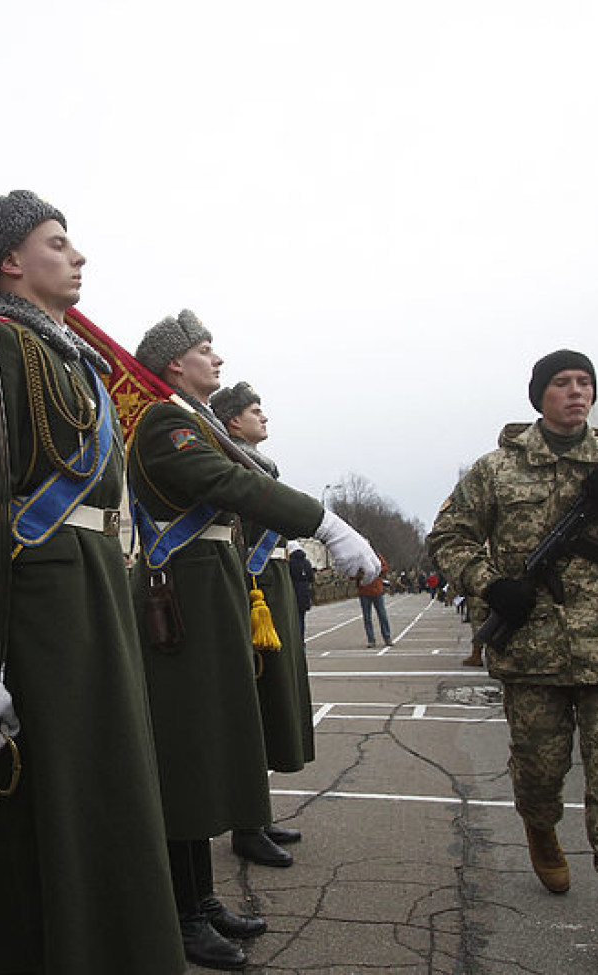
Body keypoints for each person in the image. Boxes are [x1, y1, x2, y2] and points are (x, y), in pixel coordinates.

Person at [0, 191, 184, 975]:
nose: (77, 256)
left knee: (106, 789)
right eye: (57, 242)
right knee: (56, 798)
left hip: (95, 588)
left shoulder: (73, 359)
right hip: (41, 600)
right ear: (11, 261)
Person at [130, 310, 379, 970]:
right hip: (180, 595)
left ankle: (203, 898)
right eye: (204, 350)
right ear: (174, 364)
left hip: (210, 588)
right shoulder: (165, 421)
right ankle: (183, 913)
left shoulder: (198, 423)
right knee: (187, 753)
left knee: (206, 743)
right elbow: (228, 485)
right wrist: (323, 521)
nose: (217, 359)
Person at [428, 350, 598, 975]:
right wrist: (490, 584)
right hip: (534, 653)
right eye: (563, 383)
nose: (577, 392)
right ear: (540, 395)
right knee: (540, 776)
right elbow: (448, 536)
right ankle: (540, 827)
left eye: (585, 382)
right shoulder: (497, 470)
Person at [211, 382, 314, 869]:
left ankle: (259, 813)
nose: (264, 418)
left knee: (275, 700)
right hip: (255, 590)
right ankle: (247, 826)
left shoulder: (261, 466)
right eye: (255, 411)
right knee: (254, 701)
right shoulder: (236, 465)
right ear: (233, 422)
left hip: (272, 584)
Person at [356, 553, 393, 648]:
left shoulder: (375, 556)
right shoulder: (357, 558)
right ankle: (371, 640)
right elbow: (351, 573)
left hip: (377, 590)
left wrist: (377, 570)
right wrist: (358, 574)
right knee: (367, 617)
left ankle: (387, 637)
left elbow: (385, 567)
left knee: (382, 615)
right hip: (364, 591)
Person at [289, 543, 316, 636]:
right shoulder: (307, 562)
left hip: (293, 592)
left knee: (293, 620)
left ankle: (295, 642)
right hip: (305, 592)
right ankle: (301, 641)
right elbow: (311, 578)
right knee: (301, 618)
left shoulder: (289, 563)